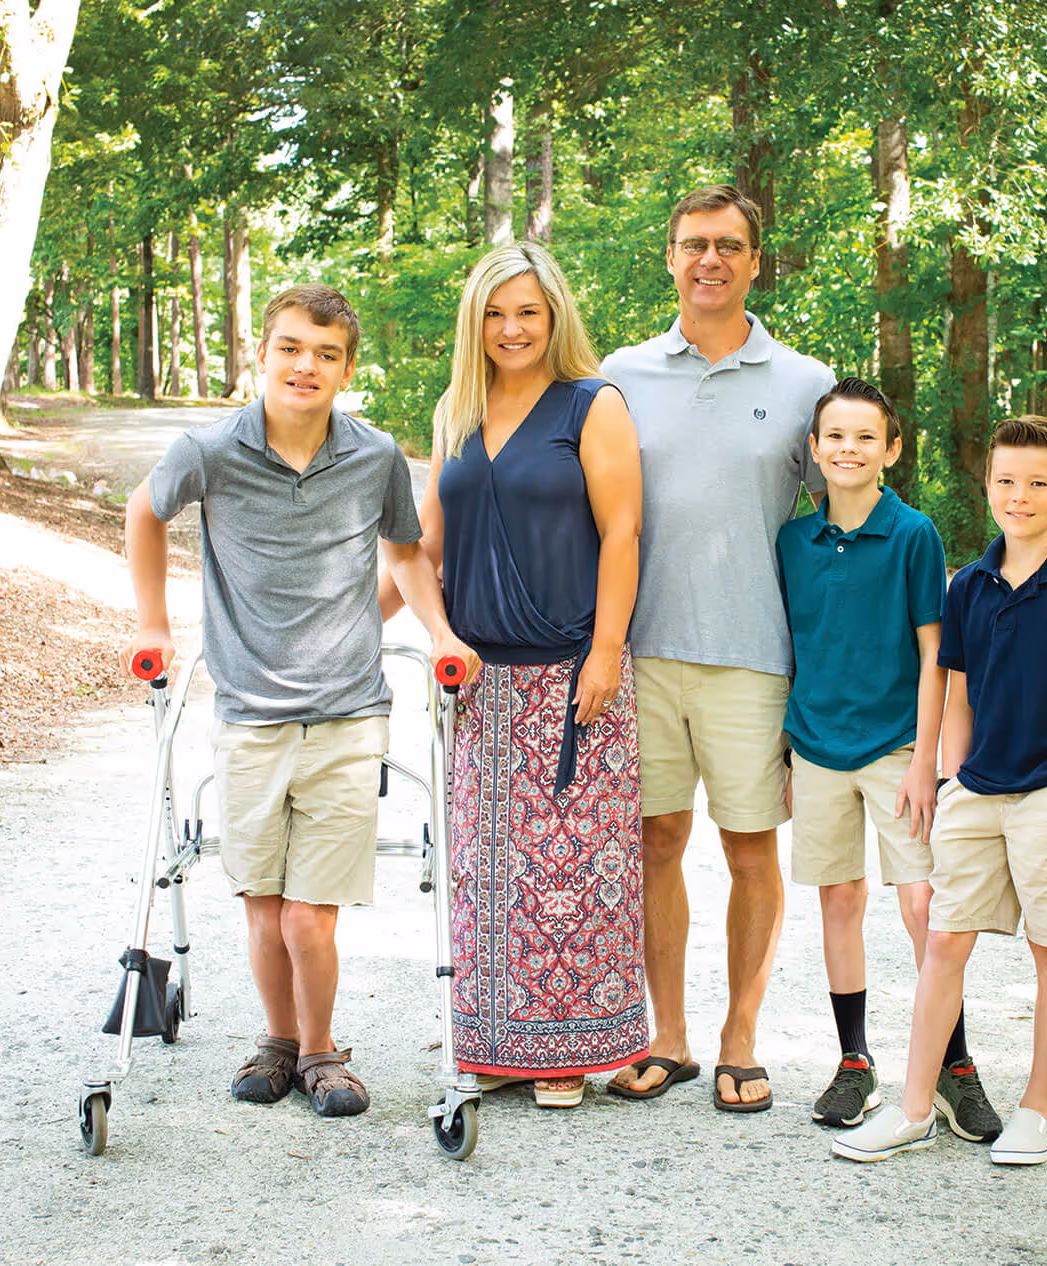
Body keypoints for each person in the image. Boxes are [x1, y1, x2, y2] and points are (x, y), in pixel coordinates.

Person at [124, 285, 476, 1119]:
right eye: (289, 347)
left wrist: (443, 632)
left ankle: (322, 1052)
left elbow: (405, 553)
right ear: (263, 354)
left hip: (349, 716)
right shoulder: (207, 451)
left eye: (324, 353)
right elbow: (143, 512)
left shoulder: (373, 455)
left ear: (347, 368)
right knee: (265, 911)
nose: (305, 366)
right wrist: (150, 623)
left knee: (310, 921)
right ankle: (277, 1042)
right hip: (248, 717)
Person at [380, 242, 646, 1107]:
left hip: (575, 669)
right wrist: (408, 629)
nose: (512, 328)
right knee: (487, 867)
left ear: (555, 314)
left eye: (527, 311)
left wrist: (606, 650)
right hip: (479, 680)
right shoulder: (457, 408)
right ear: (475, 322)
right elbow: (420, 546)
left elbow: (622, 533)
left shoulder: (592, 404)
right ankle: (496, 1042)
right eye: (495, 313)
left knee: (570, 870)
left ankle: (566, 1052)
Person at [831, 415, 1047, 1165]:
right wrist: (952, 781)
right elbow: (957, 693)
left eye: (1038, 483)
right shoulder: (968, 585)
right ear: (988, 485)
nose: (1020, 496)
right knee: (942, 942)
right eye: (1006, 481)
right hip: (977, 792)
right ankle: (911, 1108)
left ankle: (1038, 1110)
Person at [599, 185, 835, 1112]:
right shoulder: (619, 373)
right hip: (640, 651)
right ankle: (669, 1037)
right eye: (694, 243)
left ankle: (741, 1035)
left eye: (729, 246)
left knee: (749, 851)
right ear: (670, 256)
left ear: (754, 261)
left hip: (753, 653)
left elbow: (839, 523)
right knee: (656, 841)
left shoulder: (804, 382)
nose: (711, 260)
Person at [777, 377, 1001, 1141]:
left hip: (895, 748)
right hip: (814, 747)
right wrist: (785, 753)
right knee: (838, 900)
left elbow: (935, 652)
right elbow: (791, 648)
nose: (848, 449)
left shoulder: (913, 534)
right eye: (834, 436)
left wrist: (925, 761)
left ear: (891, 450)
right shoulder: (793, 541)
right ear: (814, 449)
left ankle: (954, 1067)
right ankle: (855, 1061)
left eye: (865, 437)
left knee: (922, 906)